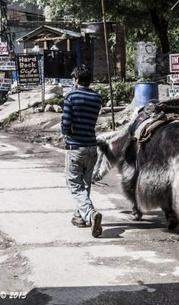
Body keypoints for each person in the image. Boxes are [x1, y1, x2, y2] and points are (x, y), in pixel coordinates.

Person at [61, 64, 103, 238]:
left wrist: (66, 132)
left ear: (76, 80)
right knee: (85, 185)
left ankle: (89, 214)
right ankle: (79, 216)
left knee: (74, 184)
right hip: (92, 147)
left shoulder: (71, 96)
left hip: (75, 147)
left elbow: (65, 123)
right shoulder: (97, 98)